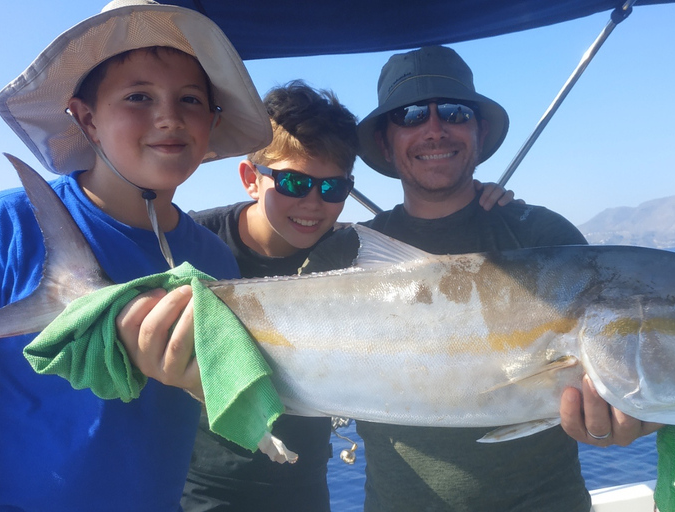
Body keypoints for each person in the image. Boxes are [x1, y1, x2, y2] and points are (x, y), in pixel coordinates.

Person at [117, 80, 516, 511]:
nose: (312, 204)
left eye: (332, 189)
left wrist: (484, 204)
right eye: (292, 183)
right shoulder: (185, 245)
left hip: (305, 484)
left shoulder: (350, 255)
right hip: (200, 487)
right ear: (252, 178)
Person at [297, 45, 660, 511]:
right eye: (410, 115)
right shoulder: (342, 254)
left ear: (478, 129)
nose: (433, 129)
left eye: (452, 111)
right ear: (386, 142)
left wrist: (627, 413)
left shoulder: (542, 235)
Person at [0, 1, 271, 510]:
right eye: (138, 96)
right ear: (87, 119)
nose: (168, 117)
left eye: (190, 99)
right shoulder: (4, 227)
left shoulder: (216, 261)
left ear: (212, 121)